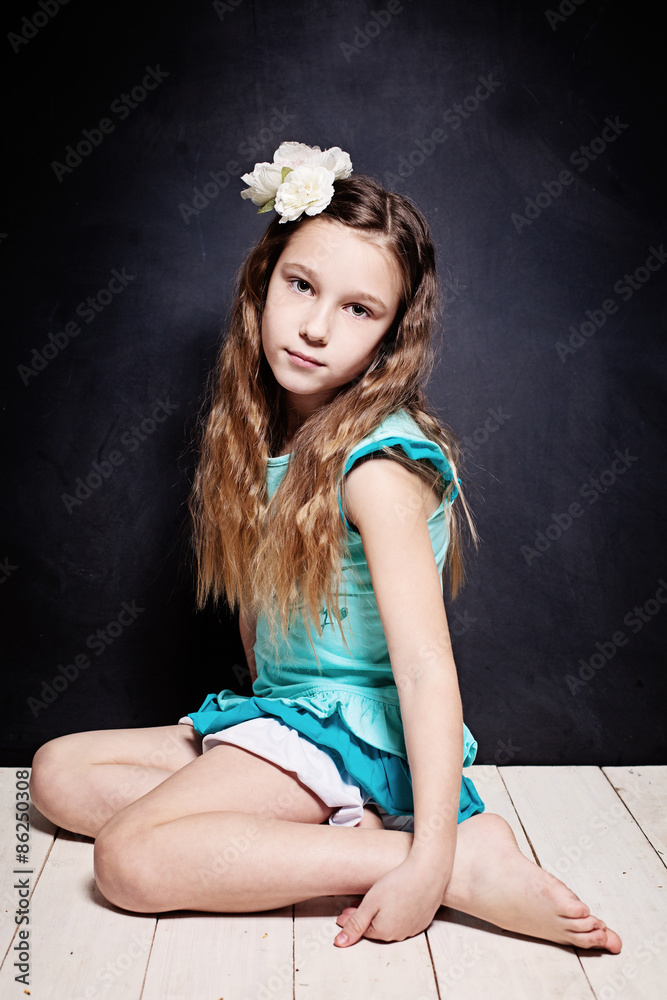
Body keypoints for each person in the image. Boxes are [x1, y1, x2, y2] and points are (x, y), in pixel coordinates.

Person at [30, 142, 621, 953]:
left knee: (128, 859)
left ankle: (442, 863)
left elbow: (422, 667)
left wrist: (430, 851)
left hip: (351, 733)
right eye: (301, 286)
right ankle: (364, 830)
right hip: (285, 715)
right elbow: (258, 623)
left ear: (390, 336)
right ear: (262, 282)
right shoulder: (257, 435)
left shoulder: (376, 465)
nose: (314, 327)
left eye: (358, 309)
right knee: (58, 773)